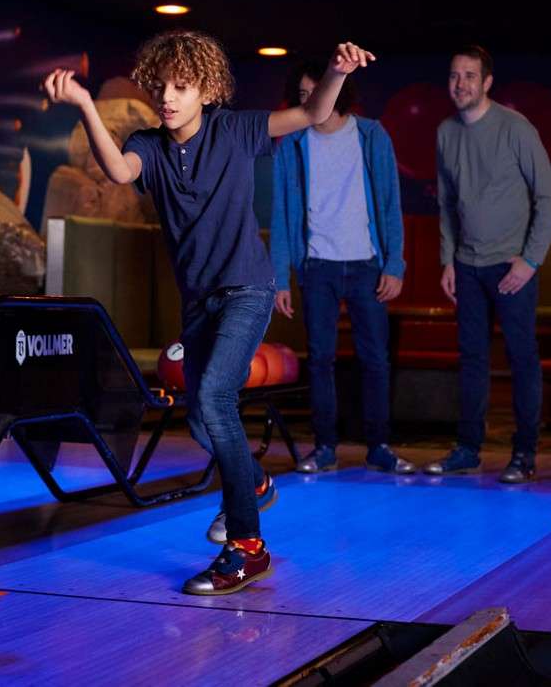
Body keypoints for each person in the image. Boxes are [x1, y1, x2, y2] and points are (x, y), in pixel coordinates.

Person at [43, 32, 375, 595]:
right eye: (163, 87)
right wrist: (83, 107)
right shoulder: (148, 146)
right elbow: (119, 172)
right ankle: (253, 480)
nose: (169, 97)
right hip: (200, 300)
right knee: (198, 414)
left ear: (207, 89)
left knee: (217, 399)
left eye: (183, 86)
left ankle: (247, 545)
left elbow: (314, 111)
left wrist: (338, 74)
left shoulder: (237, 129)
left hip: (247, 287)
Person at [424, 45, 551, 483]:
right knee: (472, 360)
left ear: (486, 82)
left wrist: (531, 261)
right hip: (466, 265)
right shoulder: (445, 131)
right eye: (453, 75)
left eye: (469, 76)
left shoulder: (515, 128)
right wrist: (447, 259)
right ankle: (467, 448)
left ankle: (524, 453)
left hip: (511, 266)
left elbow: (549, 196)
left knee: (522, 359)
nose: (459, 84)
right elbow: (446, 203)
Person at [270, 60, 414, 475]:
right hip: (317, 266)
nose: (310, 103)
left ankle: (379, 445)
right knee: (320, 360)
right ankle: (325, 447)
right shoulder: (292, 144)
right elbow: (281, 215)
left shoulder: (371, 136)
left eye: (316, 93)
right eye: (302, 96)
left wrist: (394, 264)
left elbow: (389, 204)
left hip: (368, 264)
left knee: (375, 360)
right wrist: (281, 276)